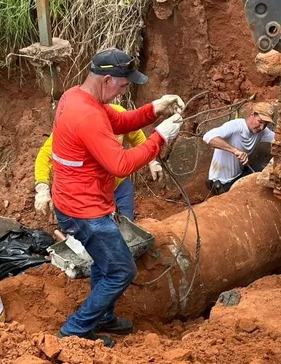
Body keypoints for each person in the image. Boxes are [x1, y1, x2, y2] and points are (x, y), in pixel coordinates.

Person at [51, 48, 184, 346]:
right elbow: (121, 164)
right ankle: (75, 330)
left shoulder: (78, 96)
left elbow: (121, 122)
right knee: (121, 270)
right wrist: (159, 138)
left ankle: (104, 316)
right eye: (123, 86)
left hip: (78, 199)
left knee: (103, 261)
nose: (124, 91)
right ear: (108, 79)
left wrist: (154, 110)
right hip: (84, 210)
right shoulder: (86, 115)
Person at [33, 103, 164, 221]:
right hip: (88, 193)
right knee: (93, 236)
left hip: (119, 185)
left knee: (127, 228)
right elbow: (45, 156)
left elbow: (136, 136)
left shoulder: (118, 114)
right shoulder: (72, 122)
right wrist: (42, 188)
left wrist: (152, 160)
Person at [202, 103, 275, 195]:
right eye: (260, 122)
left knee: (262, 168)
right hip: (222, 183)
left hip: (238, 177)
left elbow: (280, 140)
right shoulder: (236, 126)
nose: (262, 127)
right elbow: (207, 136)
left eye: (266, 124)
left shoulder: (262, 131)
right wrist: (235, 150)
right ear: (252, 114)